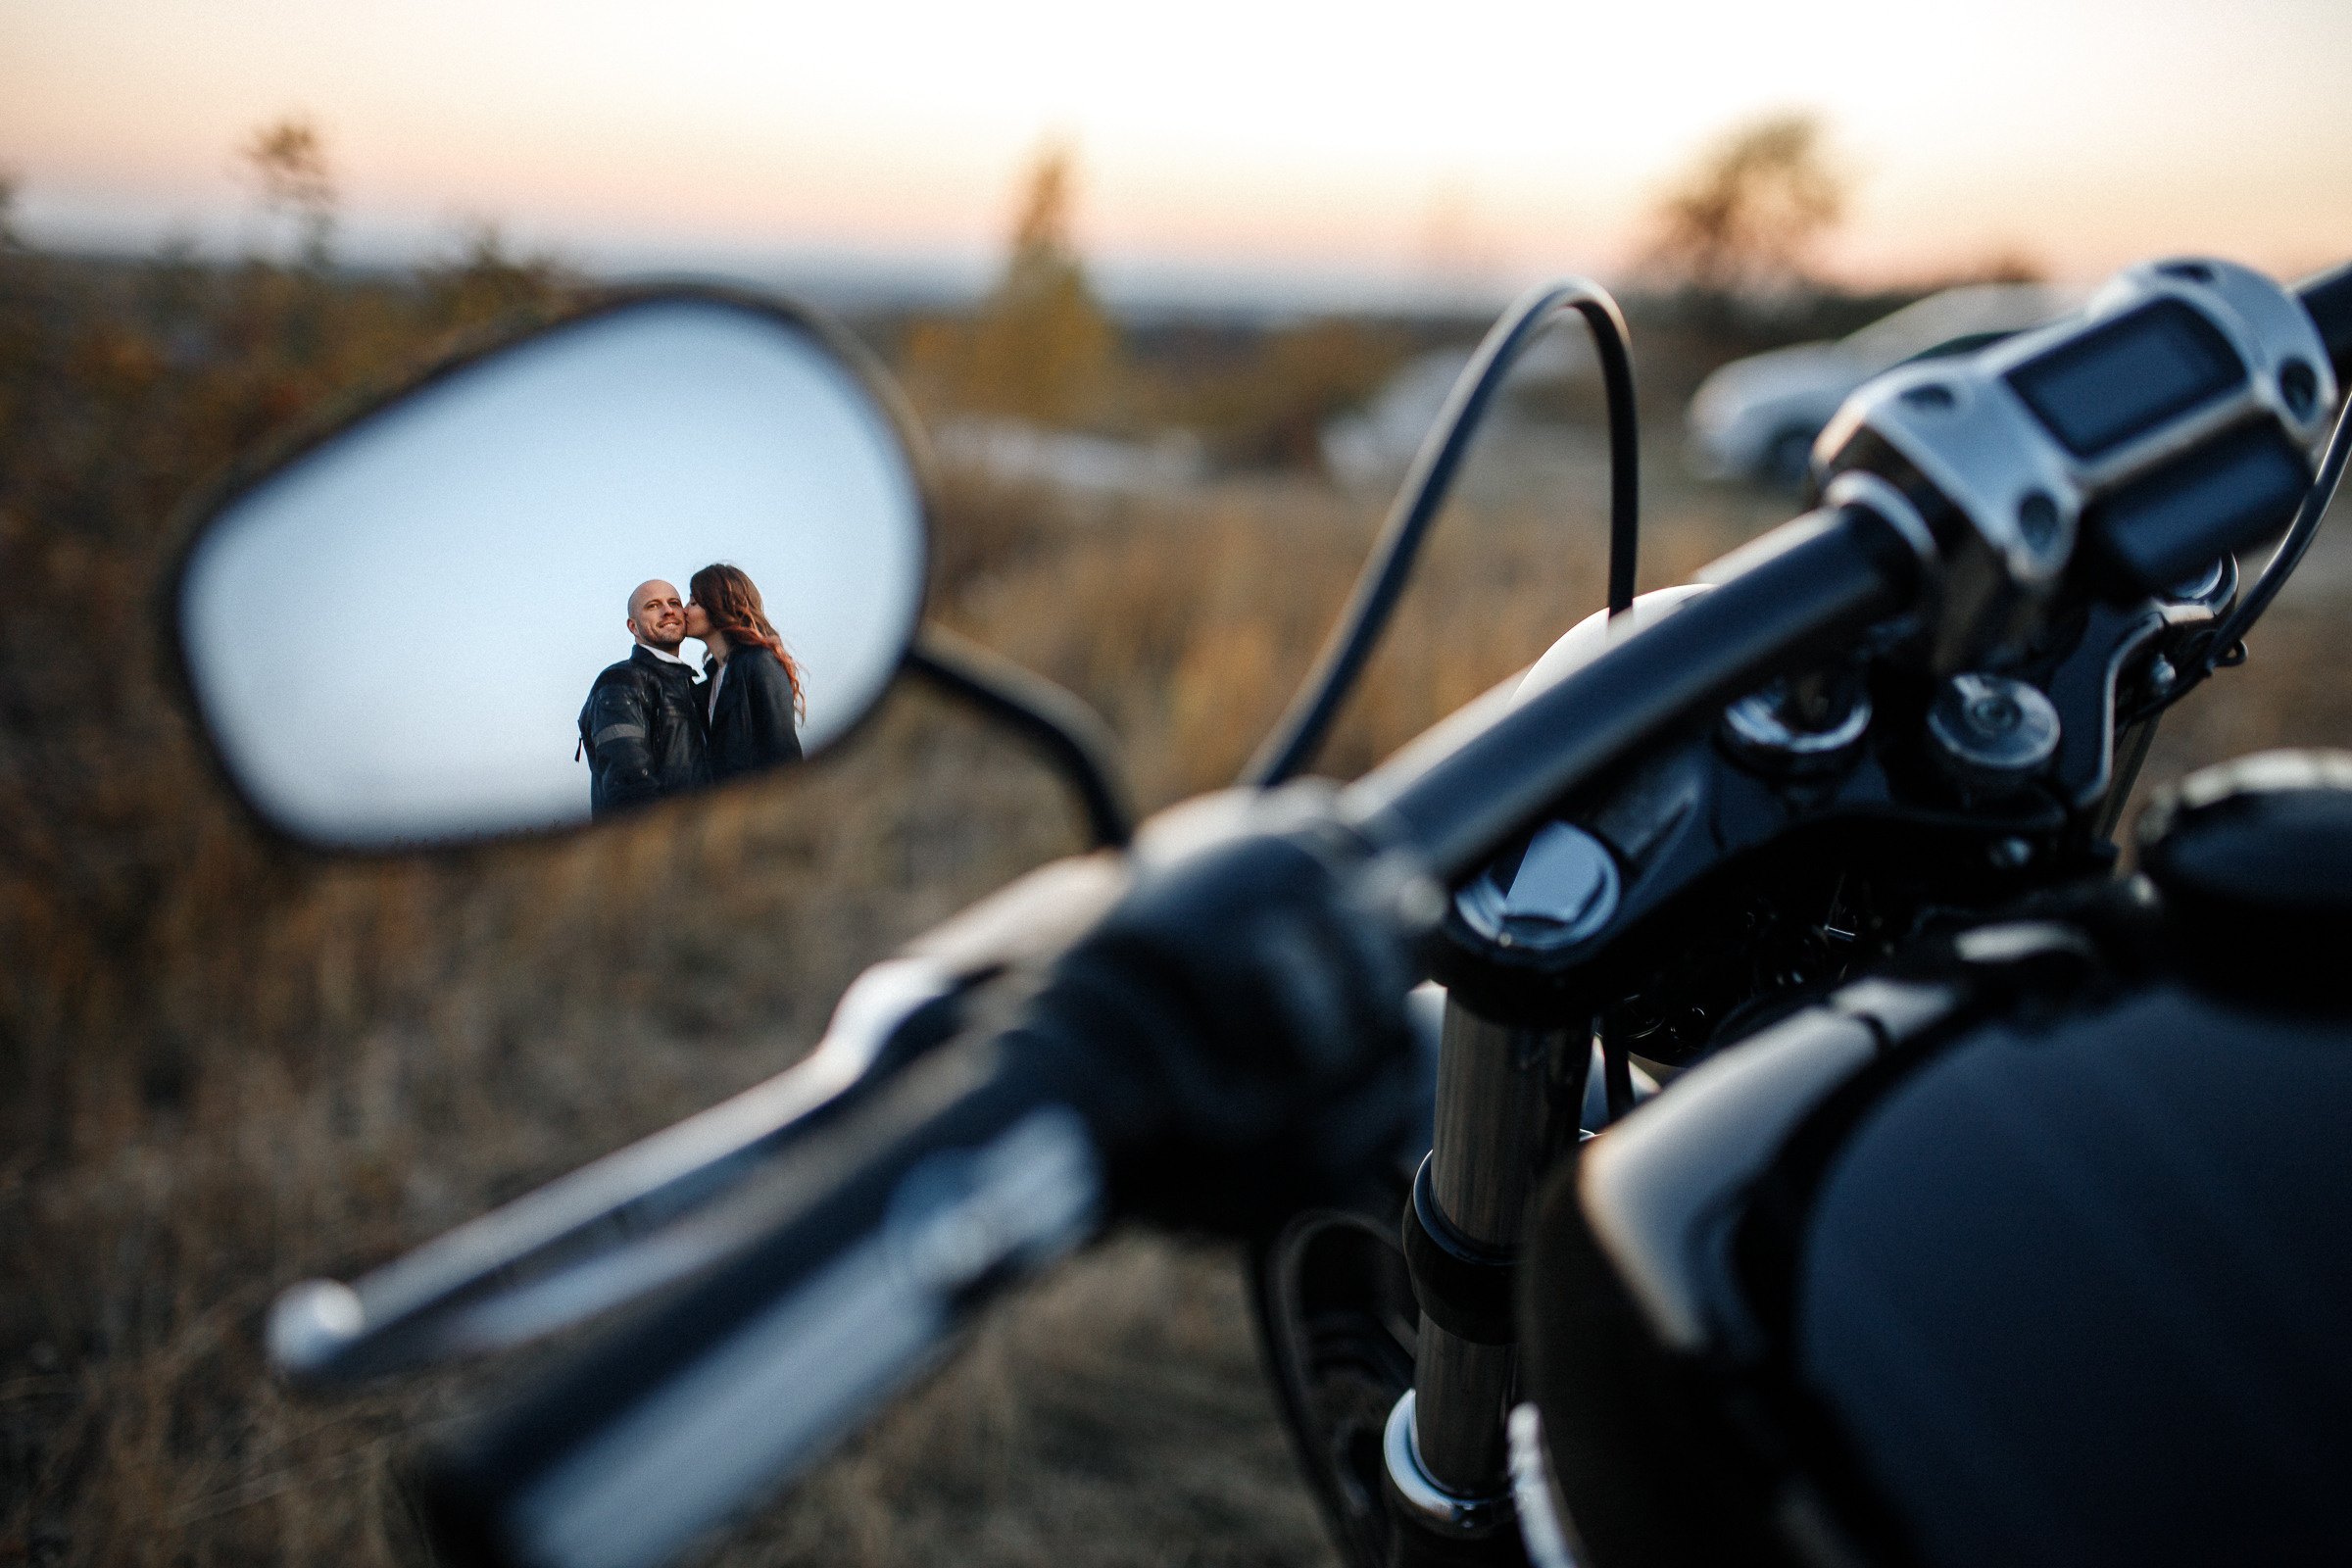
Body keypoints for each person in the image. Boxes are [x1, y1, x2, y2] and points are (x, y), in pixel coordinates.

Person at [577, 579, 710, 818]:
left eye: (674, 603)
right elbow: (629, 783)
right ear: (633, 627)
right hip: (653, 845)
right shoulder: (620, 682)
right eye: (653, 606)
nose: (668, 610)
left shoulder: (690, 686)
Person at [685, 563, 805, 782]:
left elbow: (783, 751)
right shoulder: (710, 681)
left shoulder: (760, 663)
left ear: (718, 606)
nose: (684, 610)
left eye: (693, 602)